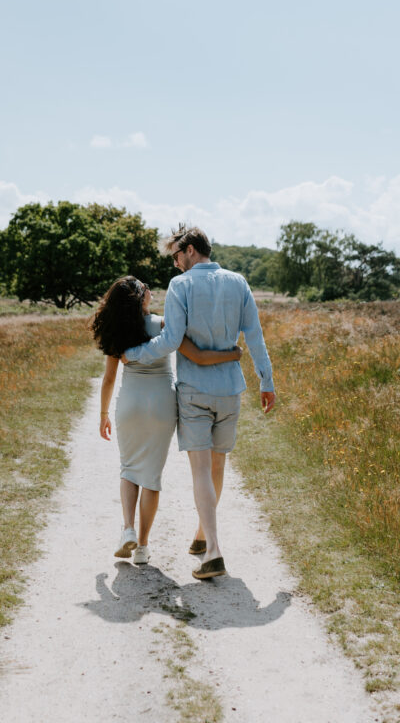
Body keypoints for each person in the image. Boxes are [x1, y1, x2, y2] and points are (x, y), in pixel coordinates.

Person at [122, 226, 275, 580]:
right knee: (217, 469)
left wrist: (134, 354)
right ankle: (203, 534)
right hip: (230, 390)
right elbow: (255, 335)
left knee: (201, 471)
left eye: (176, 257)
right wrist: (267, 382)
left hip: (194, 391)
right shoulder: (239, 282)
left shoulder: (182, 285)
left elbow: (171, 340)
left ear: (190, 250)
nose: (175, 265)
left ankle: (214, 551)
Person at [91, 275, 242, 566]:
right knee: (151, 477)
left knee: (129, 468)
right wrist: (231, 354)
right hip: (162, 405)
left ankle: (127, 529)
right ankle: (143, 548)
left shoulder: (118, 331)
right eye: (146, 288)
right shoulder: (163, 325)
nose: (150, 290)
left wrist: (103, 415)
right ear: (141, 297)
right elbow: (196, 355)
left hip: (130, 403)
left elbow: (109, 379)